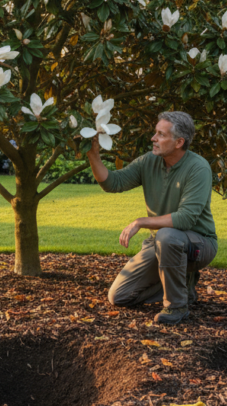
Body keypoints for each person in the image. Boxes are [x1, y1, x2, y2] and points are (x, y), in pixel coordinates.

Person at [87, 111, 218, 325]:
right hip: (160, 243)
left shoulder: (198, 168)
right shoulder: (149, 161)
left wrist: (140, 221)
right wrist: (93, 154)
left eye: (160, 134)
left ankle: (176, 307)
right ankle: (183, 286)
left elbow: (185, 219)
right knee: (118, 297)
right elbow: (113, 183)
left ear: (179, 142)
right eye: (155, 133)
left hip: (198, 244)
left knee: (167, 236)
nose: (153, 139)